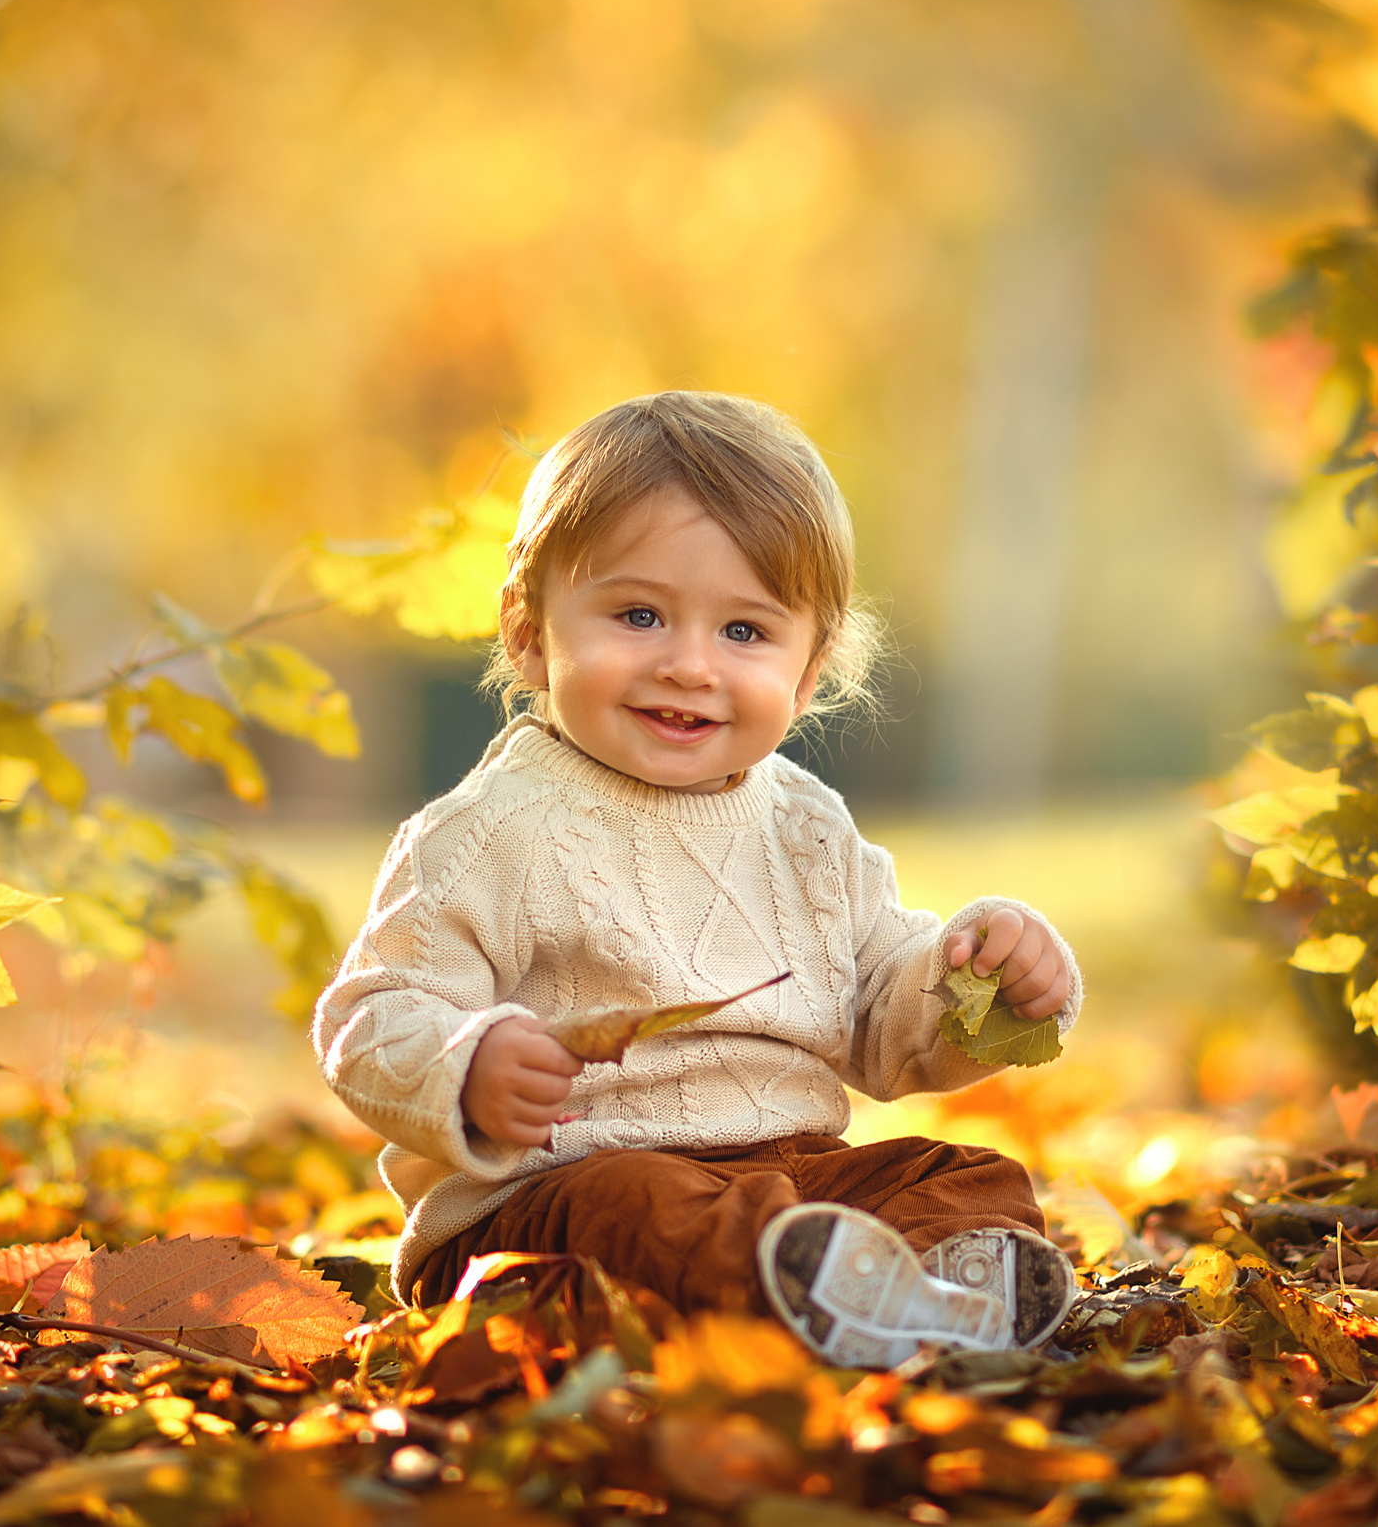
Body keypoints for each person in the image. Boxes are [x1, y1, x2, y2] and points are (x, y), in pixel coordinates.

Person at [312, 392, 1082, 1367]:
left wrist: (979, 979)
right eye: (639, 615)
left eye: (744, 632)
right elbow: (372, 1013)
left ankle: (908, 1296)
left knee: (969, 1176)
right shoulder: (489, 830)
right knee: (639, 1202)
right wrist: (466, 1067)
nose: (687, 664)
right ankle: (823, 1300)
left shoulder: (809, 827)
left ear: (808, 672)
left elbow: (882, 1011)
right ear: (529, 633)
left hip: (785, 1180)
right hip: (547, 1202)